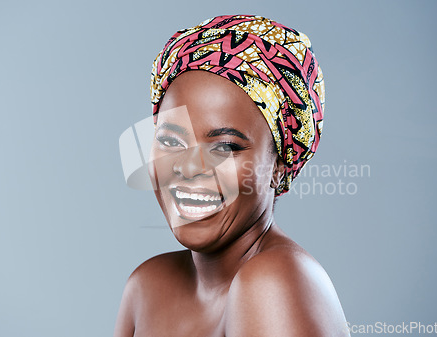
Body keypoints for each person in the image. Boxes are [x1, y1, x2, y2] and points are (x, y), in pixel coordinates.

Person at [114, 14, 349, 337]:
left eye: (224, 148)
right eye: (170, 141)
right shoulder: (147, 285)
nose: (188, 167)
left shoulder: (273, 281)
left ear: (279, 167)